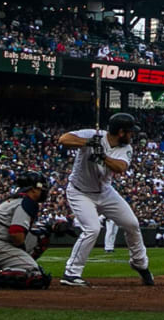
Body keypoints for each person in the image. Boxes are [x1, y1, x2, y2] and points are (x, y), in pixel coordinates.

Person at [57, 113, 153, 287]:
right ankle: (71, 273)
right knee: (92, 229)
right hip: (80, 192)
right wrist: (87, 143)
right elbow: (63, 139)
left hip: (105, 192)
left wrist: (102, 156)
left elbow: (120, 168)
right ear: (121, 132)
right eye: (130, 132)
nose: (133, 135)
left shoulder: (126, 148)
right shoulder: (93, 134)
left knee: (132, 224)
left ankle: (140, 264)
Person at [0, 171, 53, 290]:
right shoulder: (27, 202)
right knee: (36, 277)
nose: (43, 191)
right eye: (41, 188)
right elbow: (16, 233)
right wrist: (22, 252)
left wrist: (53, 228)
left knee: (42, 235)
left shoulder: (14, 200)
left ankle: (16, 266)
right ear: (32, 189)